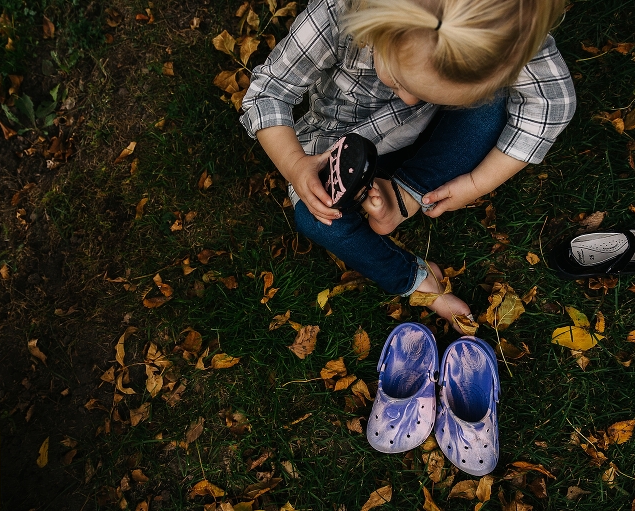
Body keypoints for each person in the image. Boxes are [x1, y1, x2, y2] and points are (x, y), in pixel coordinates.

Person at [240, 0, 576, 332]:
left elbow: (551, 103)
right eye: (400, 82)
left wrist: (477, 183)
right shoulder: (335, 15)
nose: (410, 99)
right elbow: (267, 92)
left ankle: (404, 196)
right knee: (317, 218)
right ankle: (415, 280)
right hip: (342, 146)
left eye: (436, 92)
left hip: (433, 128)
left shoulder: (500, 34)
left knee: (491, 107)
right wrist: (295, 165)